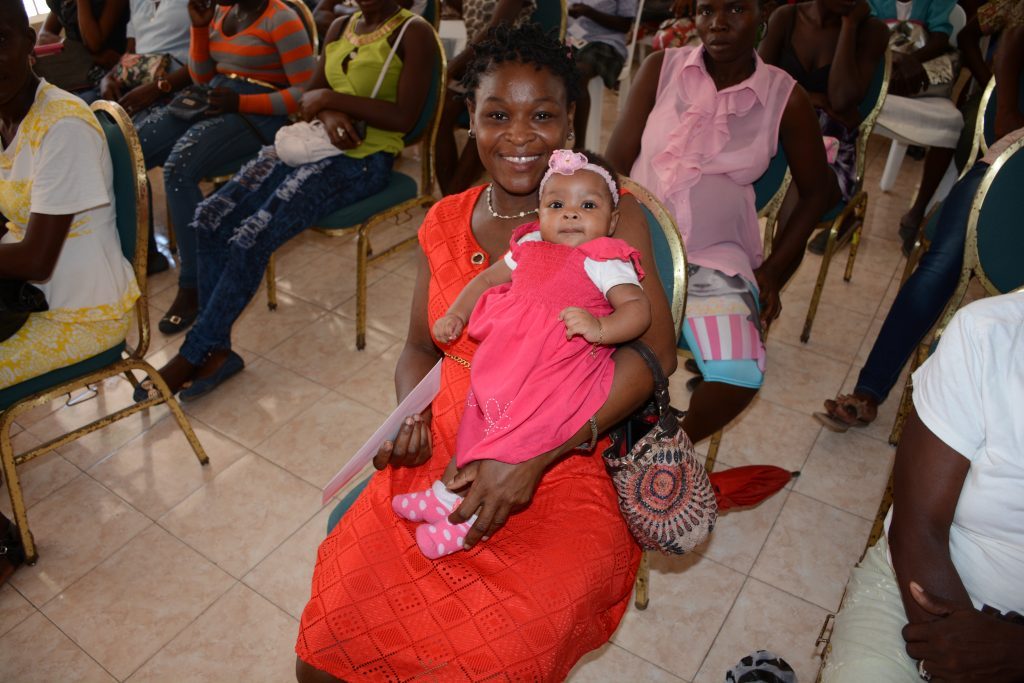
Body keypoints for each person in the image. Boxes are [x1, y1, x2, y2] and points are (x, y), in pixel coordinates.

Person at [294, 23, 678, 681]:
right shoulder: (446, 219)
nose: (520, 135)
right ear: (470, 119)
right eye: (497, 114)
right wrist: (408, 419)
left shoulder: (607, 212)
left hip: (566, 453)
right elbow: (420, 346)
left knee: (494, 660)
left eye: (543, 115)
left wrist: (535, 456)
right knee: (327, 656)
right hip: (447, 446)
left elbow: (651, 356)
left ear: (571, 123)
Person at [135, 0, 435, 401]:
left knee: (251, 237)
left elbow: (404, 118)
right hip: (313, 141)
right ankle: (217, 348)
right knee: (209, 216)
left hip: (364, 159)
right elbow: (308, 96)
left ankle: (194, 353)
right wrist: (326, 110)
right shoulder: (341, 26)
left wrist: (330, 101)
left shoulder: (413, 32)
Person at [393, 149, 651, 559]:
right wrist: (457, 313)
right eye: (556, 205)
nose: (570, 215)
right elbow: (488, 278)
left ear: (612, 222)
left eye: (587, 205)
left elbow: (638, 312)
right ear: (540, 214)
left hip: (553, 377)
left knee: (508, 445)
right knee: (476, 427)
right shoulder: (530, 244)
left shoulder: (605, 259)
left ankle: (462, 528)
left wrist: (600, 329)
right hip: (506, 363)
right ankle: (443, 495)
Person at [606, 0, 837, 445]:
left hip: (713, 262)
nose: (717, 23)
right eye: (708, 8)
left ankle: (664, 452)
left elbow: (817, 192)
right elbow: (613, 165)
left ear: (763, 13)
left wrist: (773, 270)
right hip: (631, 250)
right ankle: (606, 438)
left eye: (735, 8)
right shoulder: (661, 69)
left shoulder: (785, 97)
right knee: (571, 342)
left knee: (739, 372)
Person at [814, 29, 1023, 431]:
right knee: (941, 264)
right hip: (1010, 169)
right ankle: (870, 389)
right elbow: (1007, 124)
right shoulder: (1019, 38)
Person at [822, 290, 1024, 681]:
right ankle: (871, 388)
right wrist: (966, 649)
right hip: (933, 586)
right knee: (936, 268)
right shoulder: (990, 334)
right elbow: (917, 528)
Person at [135, 0, 315, 337]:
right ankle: (141, 256)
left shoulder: (281, 19)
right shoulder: (219, 12)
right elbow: (201, 74)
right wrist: (199, 28)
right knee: (135, 147)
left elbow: (304, 93)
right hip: (215, 94)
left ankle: (195, 284)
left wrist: (241, 102)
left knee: (178, 169)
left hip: (259, 111)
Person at [0, 0, 139, 389]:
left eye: (1, 39)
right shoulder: (5, 115)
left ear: (30, 43)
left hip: (81, 313)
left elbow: (35, 261)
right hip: (27, 298)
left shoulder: (62, 126)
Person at [759, 0, 888, 254]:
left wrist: (849, 26)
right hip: (773, 138)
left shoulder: (872, 31)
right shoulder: (786, 18)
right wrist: (809, 98)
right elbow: (756, 82)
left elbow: (841, 98)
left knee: (802, 193)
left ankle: (770, 279)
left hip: (830, 151)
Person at [434, 0, 536, 195]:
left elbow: (495, 31)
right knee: (442, 109)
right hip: (477, 66)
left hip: (511, 68)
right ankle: (451, 199)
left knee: (485, 118)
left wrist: (451, 68)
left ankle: (451, 200)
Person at [566, 0, 637, 149]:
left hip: (606, 43)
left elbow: (624, 25)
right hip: (571, 39)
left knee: (578, 74)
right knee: (545, 67)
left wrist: (588, 12)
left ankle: (580, 147)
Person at [33, 0, 129, 93]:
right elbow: (43, 36)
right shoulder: (63, 3)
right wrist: (82, 53)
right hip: (83, 66)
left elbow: (94, 44)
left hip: (109, 70)